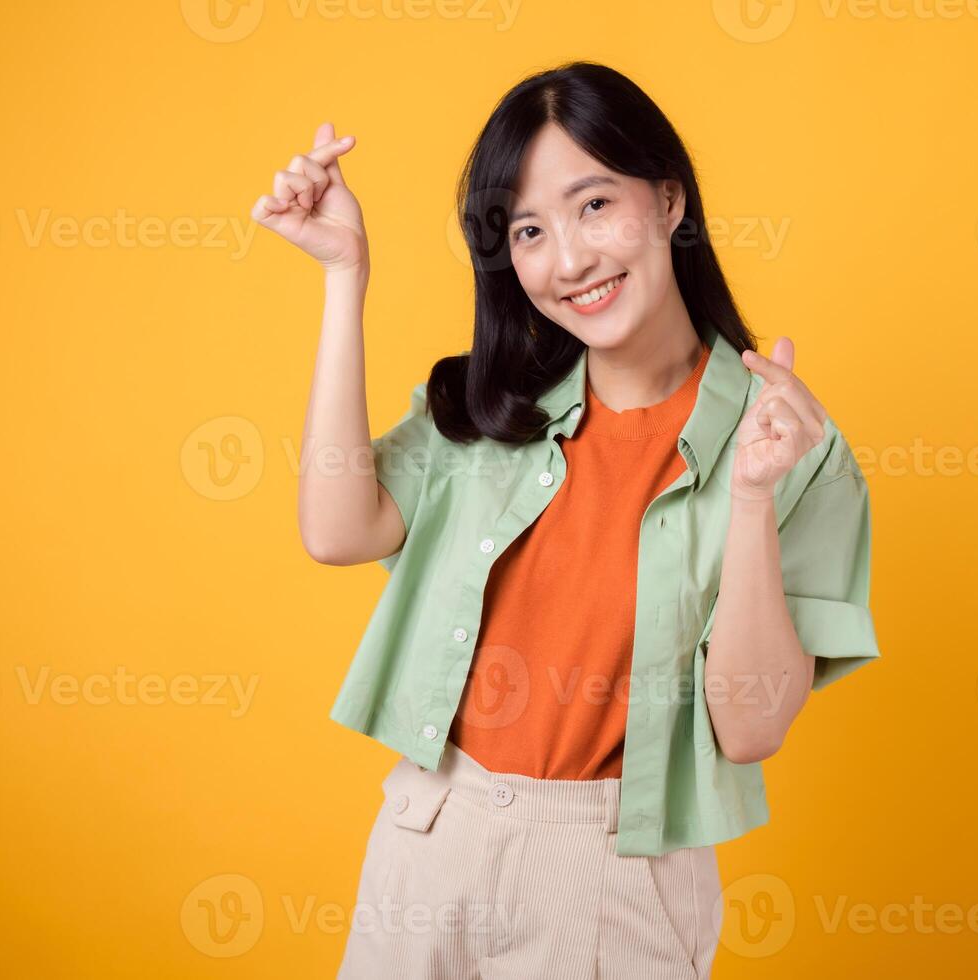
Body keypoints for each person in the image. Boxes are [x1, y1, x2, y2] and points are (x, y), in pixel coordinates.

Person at [251, 60, 882, 980]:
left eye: (594, 206)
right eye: (531, 231)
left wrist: (749, 497)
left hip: (613, 874)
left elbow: (749, 728)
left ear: (669, 201)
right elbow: (336, 531)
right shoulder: (489, 405)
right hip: (430, 832)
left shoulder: (793, 444)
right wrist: (345, 277)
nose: (571, 259)